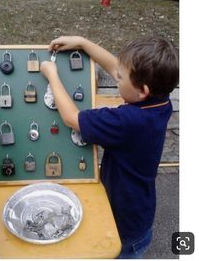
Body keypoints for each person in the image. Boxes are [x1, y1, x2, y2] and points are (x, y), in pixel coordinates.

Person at [40, 36, 179, 258]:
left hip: (124, 228)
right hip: (140, 214)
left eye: (120, 79)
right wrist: (82, 43)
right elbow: (118, 67)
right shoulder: (161, 101)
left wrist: (52, 75)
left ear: (142, 90)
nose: (116, 79)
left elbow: (71, 118)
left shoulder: (126, 120)